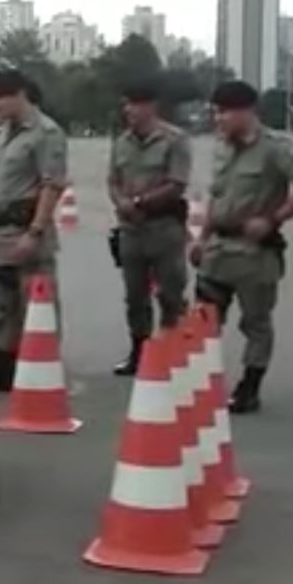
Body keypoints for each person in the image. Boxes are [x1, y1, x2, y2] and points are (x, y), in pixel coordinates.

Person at [190, 80, 293, 414]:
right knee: (203, 319)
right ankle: (198, 380)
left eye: (224, 112)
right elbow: (216, 197)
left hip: (254, 254)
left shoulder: (276, 148)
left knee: (255, 323)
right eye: (215, 112)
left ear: (247, 111)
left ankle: (250, 386)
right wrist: (201, 238)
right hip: (218, 250)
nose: (218, 119)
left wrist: (273, 219)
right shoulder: (222, 147)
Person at [0, 70, 68, 392]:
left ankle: (42, 368)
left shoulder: (45, 133)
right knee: (4, 306)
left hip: (25, 229)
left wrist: (35, 232)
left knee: (35, 304)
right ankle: (7, 367)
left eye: (0, 97)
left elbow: (51, 186)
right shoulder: (3, 133)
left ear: (20, 94)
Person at [106, 79, 193, 375]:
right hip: (131, 230)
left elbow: (177, 183)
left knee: (171, 294)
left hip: (164, 228)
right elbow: (113, 180)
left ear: (151, 107)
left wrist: (141, 202)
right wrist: (121, 202)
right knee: (134, 296)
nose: (129, 110)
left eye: (135, 104)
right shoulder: (121, 142)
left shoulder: (174, 140)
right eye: (126, 105)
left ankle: (172, 350)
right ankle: (139, 351)